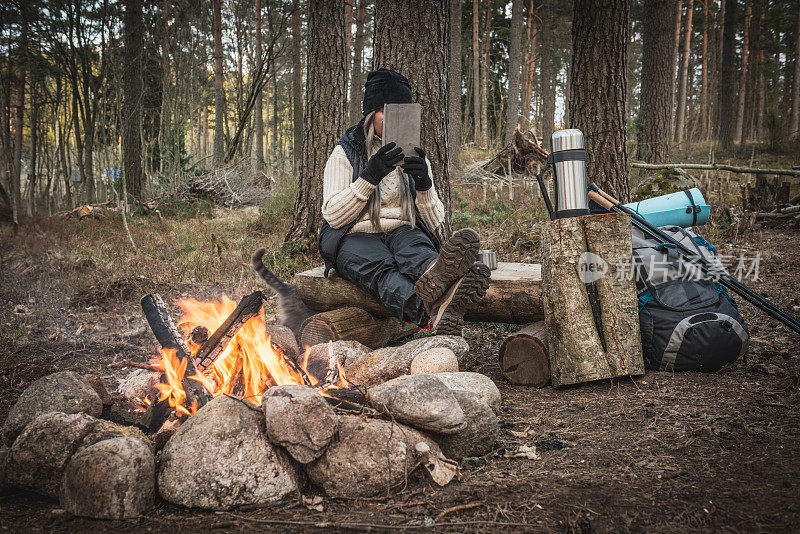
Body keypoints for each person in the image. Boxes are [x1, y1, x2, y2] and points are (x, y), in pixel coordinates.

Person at [318, 69, 490, 335]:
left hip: (402, 230)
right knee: (383, 271)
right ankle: (433, 314)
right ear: (370, 114)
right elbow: (333, 216)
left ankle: (442, 280)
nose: (391, 121)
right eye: (385, 112)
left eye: (401, 113)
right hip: (355, 237)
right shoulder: (345, 152)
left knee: (418, 254)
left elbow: (434, 222)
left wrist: (424, 184)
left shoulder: (414, 153)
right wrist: (369, 176)